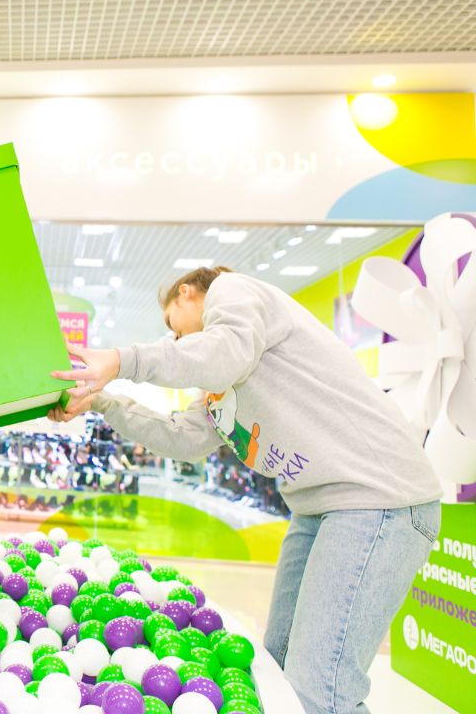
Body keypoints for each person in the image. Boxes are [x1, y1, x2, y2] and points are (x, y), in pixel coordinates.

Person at [49, 265, 443, 714]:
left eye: (171, 324)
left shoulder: (233, 293)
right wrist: (100, 400)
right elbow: (187, 437)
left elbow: (219, 353)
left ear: (187, 293)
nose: (174, 339)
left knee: (320, 692)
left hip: (377, 500)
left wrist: (122, 360)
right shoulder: (222, 379)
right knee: (278, 675)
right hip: (318, 508)